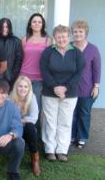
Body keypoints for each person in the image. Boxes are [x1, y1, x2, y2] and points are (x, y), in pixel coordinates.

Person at [40, 25, 85, 162]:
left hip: (69, 94)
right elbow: (44, 71)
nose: (61, 39)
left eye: (64, 36)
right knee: (50, 122)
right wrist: (55, 87)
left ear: (69, 37)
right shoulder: (48, 52)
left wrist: (65, 88)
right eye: (58, 37)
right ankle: (49, 149)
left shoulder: (76, 53)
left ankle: (62, 150)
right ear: (54, 38)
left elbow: (79, 73)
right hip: (50, 92)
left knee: (65, 122)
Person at [71, 20, 101, 148]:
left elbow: (97, 69)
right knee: (71, 112)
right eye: (75, 31)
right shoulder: (69, 46)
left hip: (87, 87)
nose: (78, 34)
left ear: (86, 33)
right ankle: (71, 135)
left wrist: (96, 86)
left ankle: (82, 136)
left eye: (80, 31)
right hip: (71, 87)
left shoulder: (93, 49)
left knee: (84, 112)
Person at [10, 75, 40, 176]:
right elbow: (7, 117)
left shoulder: (32, 97)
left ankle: (35, 160)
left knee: (31, 128)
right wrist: (20, 121)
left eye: (25, 86)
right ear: (16, 87)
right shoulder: (10, 97)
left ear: (29, 88)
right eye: (20, 86)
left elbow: (34, 117)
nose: (23, 89)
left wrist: (20, 120)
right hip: (13, 128)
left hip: (26, 127)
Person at [20, 13, 51, 109]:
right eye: (34, 22)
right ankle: (23, 124)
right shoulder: (25, 39)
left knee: (36, 106)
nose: (37, 24)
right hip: (24, 77)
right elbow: (21, 58)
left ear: (43, 25)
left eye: (39, 22)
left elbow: (50, 60)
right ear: (30, 24)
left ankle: (36, 125)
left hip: (40, 78)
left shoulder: (48, 40)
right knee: (24, 106)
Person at [0, 18, 23, 89]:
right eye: (2, 27)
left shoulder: (16, 41)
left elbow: (18, 60)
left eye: (6, 27)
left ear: (9, 28)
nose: (4, 29)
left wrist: (12, 76)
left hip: (10, 78)